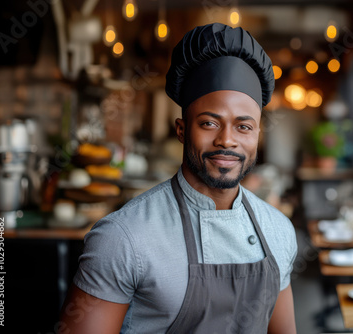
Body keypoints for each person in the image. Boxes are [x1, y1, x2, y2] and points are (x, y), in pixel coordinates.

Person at [60, 23, 298, 334]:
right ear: (182, 130)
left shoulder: (278, 230)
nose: (227, 140)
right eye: (210, 123)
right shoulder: (123, 238)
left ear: (257, 135)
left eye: (243, 126)